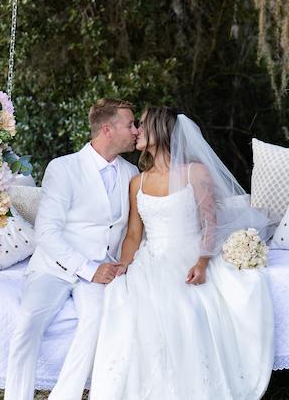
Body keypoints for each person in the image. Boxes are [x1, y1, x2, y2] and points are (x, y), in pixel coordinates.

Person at [89, 107, 274, 399]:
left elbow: (210, 224)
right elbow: (134, 234)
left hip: (190, 255)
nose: (136, 130)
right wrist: (124, 265)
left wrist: (202, 262)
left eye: (142, 125)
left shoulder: (194, 173)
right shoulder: (138, 181)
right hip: (151, 259)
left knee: (186, 310)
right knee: (133, 308)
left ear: (160, 131)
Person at [4, 99, 140, 400]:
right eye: (130, 124)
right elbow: (47, 232)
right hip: (55, 266)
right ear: (107, 129)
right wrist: (89, 269)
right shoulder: (63, 167)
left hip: (103, 267)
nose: (136, 131)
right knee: (27, 325)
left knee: (96, 322)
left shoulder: (131, 173)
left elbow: (132, 229)